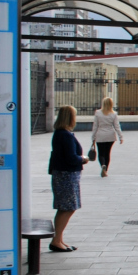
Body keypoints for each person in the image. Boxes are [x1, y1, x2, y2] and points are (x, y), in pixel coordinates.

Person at [48, 105, 87, 252]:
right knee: (68, 207)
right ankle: (56, 240)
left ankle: (58, 239)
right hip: (67, 176)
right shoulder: (65, 135)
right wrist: (83, 158)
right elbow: (71, 158)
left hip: (62, 174)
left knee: (64, 208)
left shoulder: (59, 133)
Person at [90, 97, 123, 177]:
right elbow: (117, 126)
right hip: (110, 135)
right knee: (107, 153)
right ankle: (106, 170)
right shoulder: (113, 114)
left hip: (100, 135)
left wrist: (93, 137)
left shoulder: (98, 113)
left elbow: (95, 126)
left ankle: (102, 165)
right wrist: (120, 137)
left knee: (101, 153)